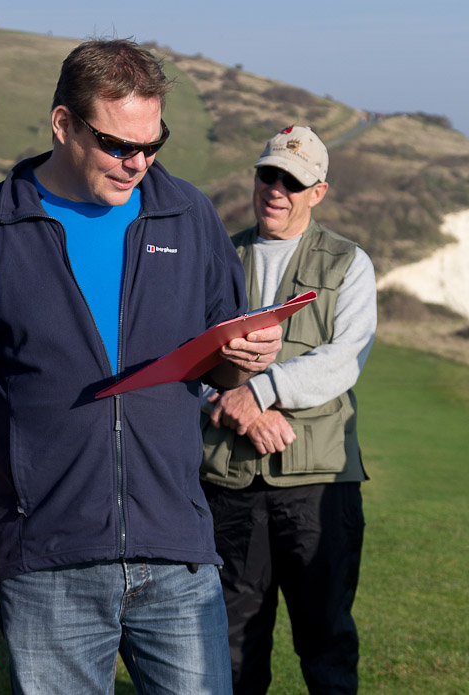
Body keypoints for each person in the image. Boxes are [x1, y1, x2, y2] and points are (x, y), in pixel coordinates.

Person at [0, 38, 283, 695]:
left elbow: (219, 370)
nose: (138, 162)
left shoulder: (190, 215)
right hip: (46, 559)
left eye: (153, 143)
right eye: (117, 144)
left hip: (177, 552)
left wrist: (246, 361)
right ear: (64, 125)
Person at [200, 125, 377, 694]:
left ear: (318, 192)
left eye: (293, 181)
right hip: (228, 482)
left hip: (318, 485)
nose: (276, 189)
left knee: (325, 641)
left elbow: (343, 359)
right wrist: (237, 408)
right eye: (267, 174)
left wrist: (261, 390)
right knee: (230, 642)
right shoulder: (216, 257)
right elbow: (187, 362)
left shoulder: (350, 264)